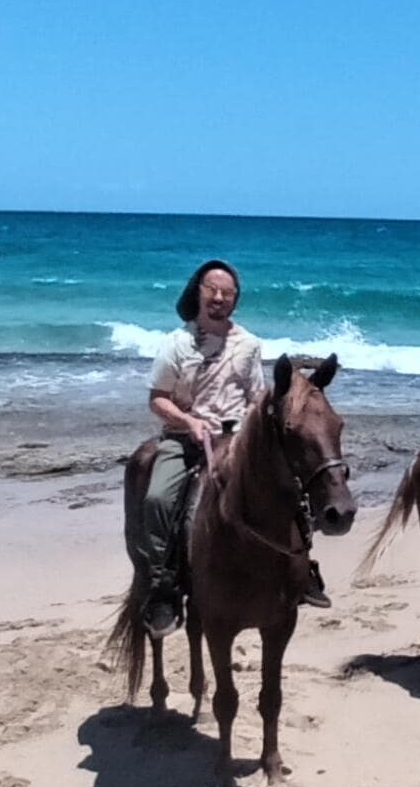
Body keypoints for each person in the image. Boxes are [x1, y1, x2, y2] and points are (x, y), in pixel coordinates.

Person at [132, 258, 325, 633]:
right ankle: (163, 587)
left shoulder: (249, 344)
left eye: (227, 292)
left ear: (235, 299)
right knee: (158, 499)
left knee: (295, 489)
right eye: (212, 290)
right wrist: (189, 422)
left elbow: (254, 395)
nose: (219, 297)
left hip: (237, 440)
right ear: (198, 292)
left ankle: (303, 569)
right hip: (186, 440)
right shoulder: (176, 344)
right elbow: (158, 398)